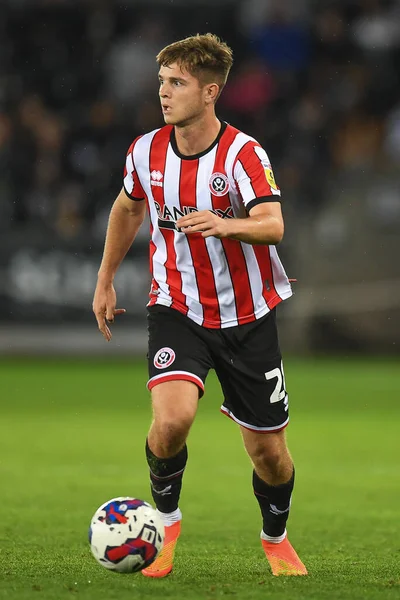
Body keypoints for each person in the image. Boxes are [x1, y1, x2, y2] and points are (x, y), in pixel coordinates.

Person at [92, 33, 307, 578]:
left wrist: (225, 223)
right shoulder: (145, 150)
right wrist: (106, 280)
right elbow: (127, 209)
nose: (163, 93)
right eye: (162, 82)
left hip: (248, 315)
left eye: (177, 83)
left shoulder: (243, 153)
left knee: (270, 457)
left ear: (210, 92)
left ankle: (275, 536)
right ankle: (165, 525)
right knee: (172, 421)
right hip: (177, 306)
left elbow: (273, 224)